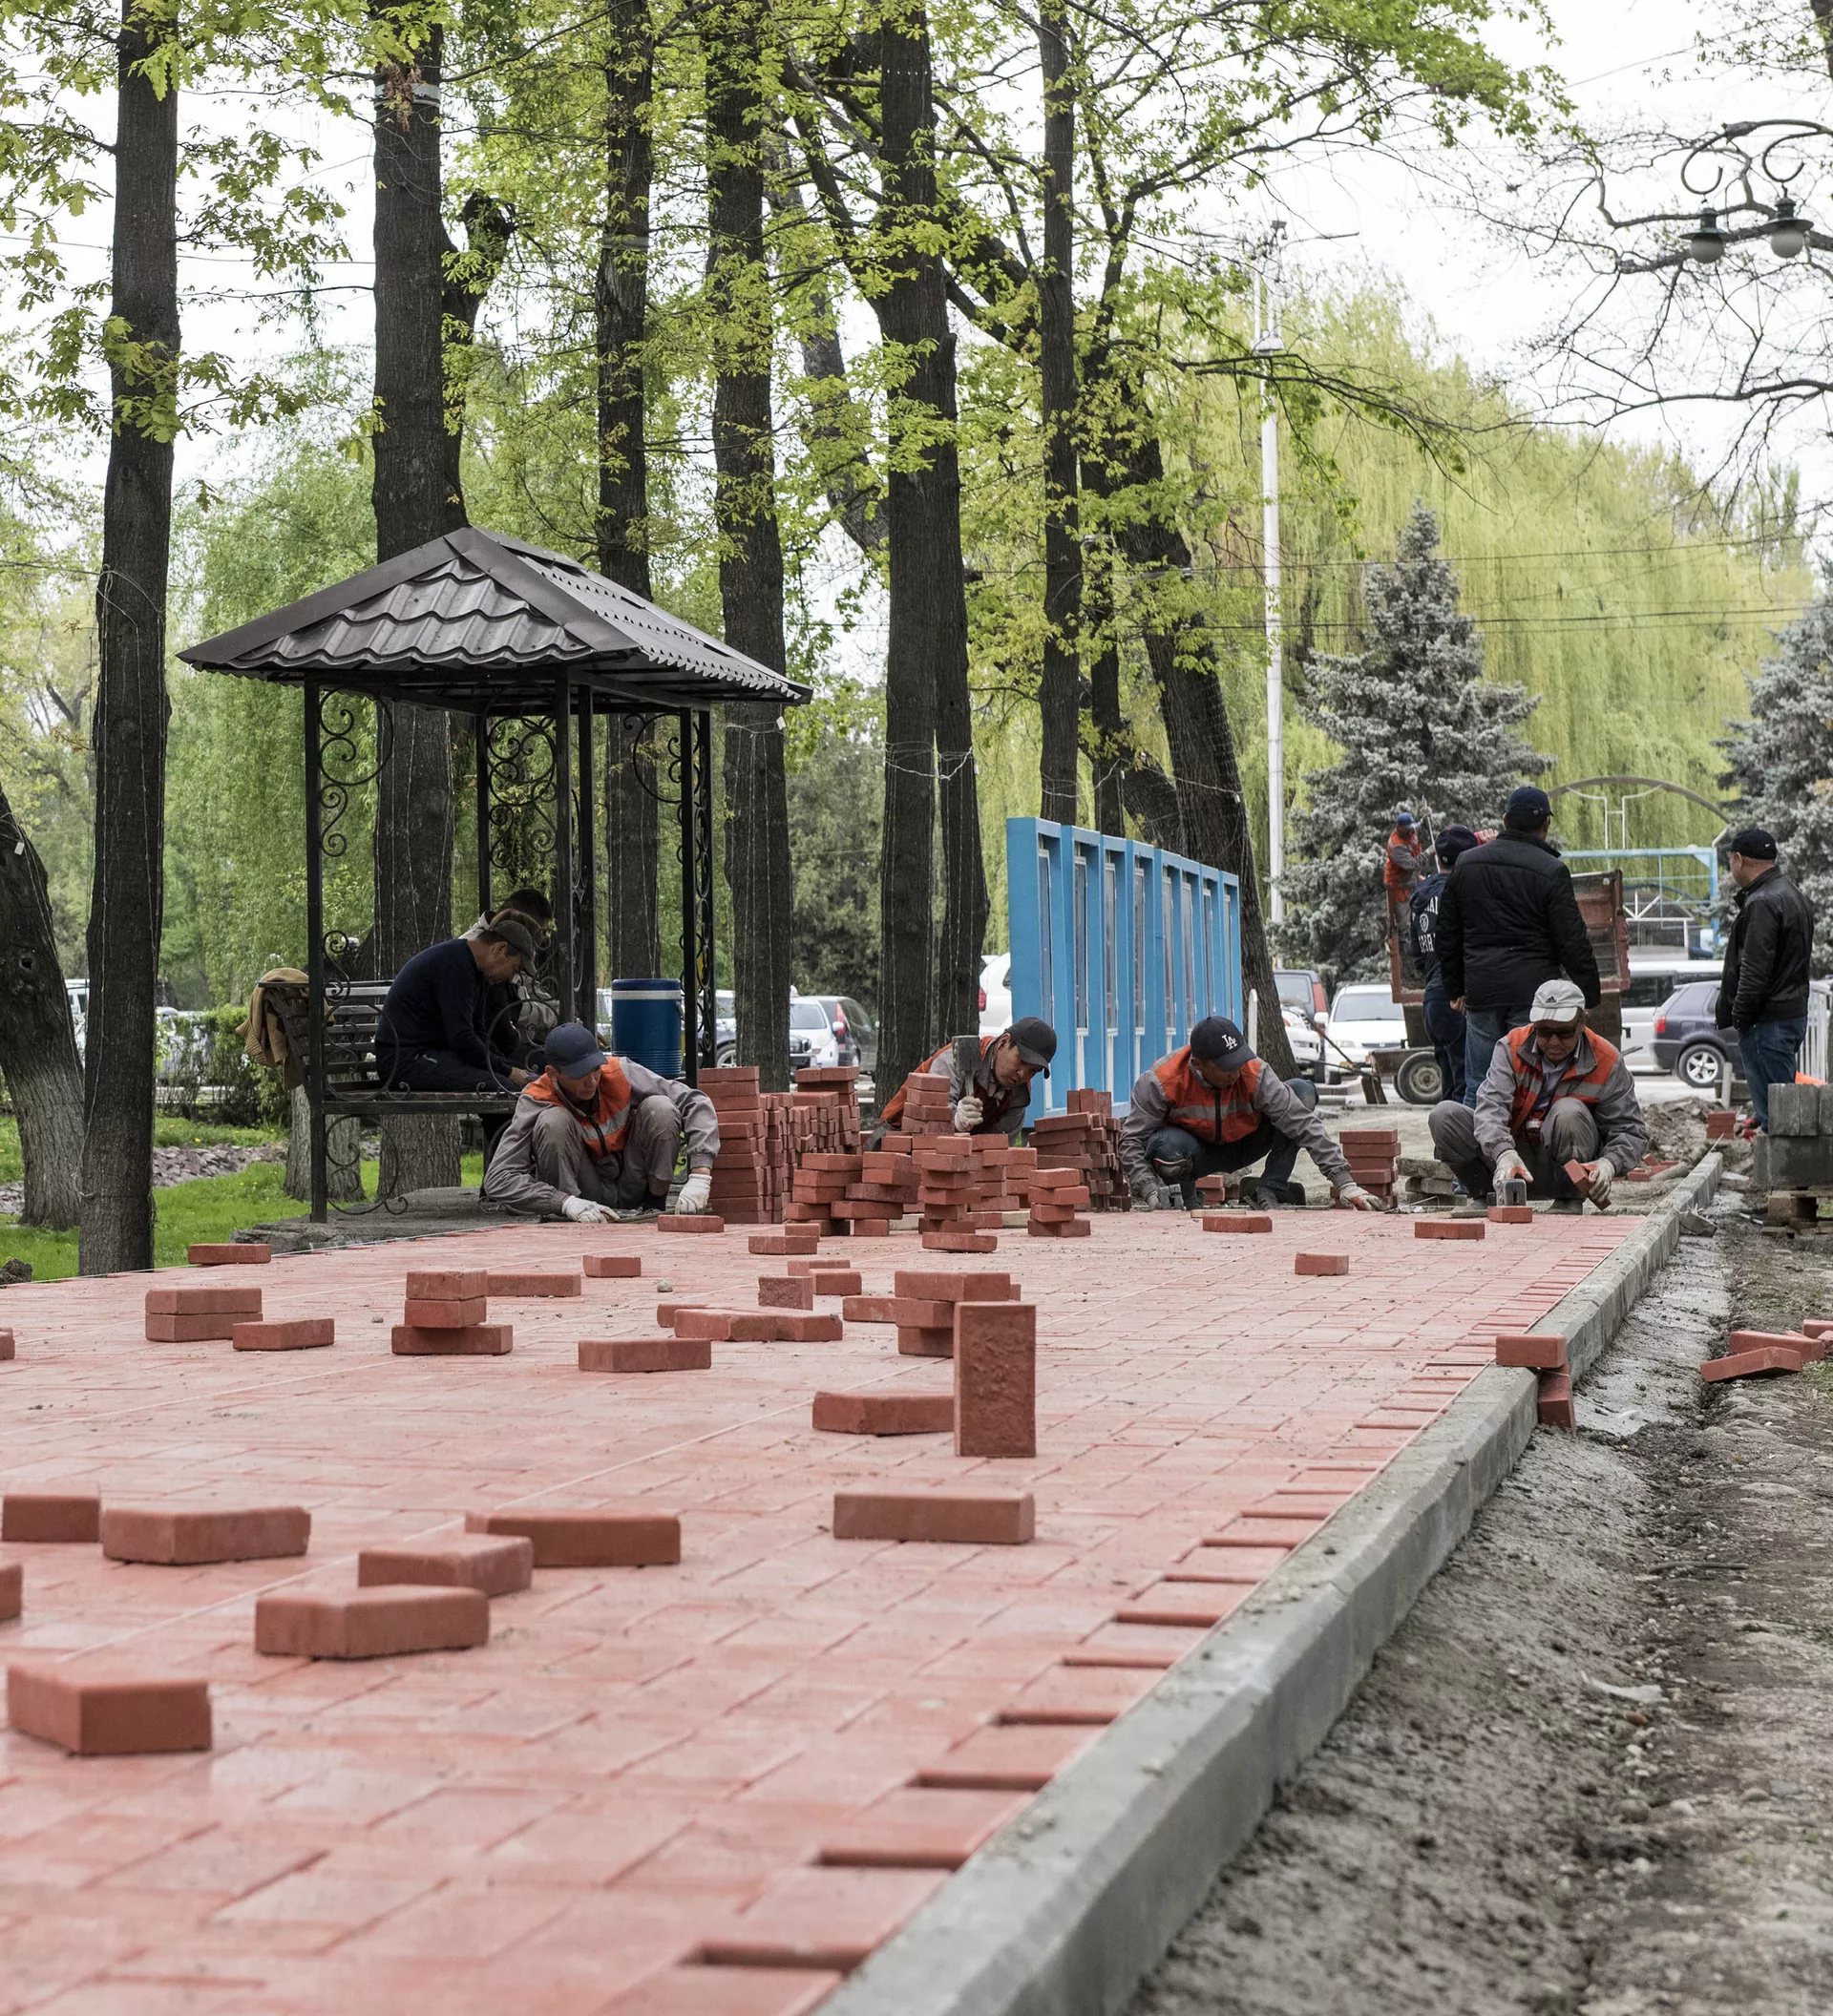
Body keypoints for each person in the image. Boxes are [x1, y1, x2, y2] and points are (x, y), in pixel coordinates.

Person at [1436, 784, 1600, 1107]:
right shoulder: (1551, 870)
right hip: (1533, 994)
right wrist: (1589, 994)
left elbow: (1448, 933)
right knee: (1528, 1083)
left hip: (1481, 991)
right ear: (1546, 824)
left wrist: (1454, 988)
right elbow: (1572, 940)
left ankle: (1475, 1140)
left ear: (1505, 819)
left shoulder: (1466, 864)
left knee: (1479, 1083)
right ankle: (1523, 1140)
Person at [1427, 978, 1648, 1213]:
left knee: (1569, 1112)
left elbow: (1630, 1130)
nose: (1553, 1042)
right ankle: (1486, 1194)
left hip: (1561, 1167)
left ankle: (1568, 1199)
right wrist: (1503, 1153)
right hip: (1511, 1162)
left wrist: (1609, 1163)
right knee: (1444, 1116)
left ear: (1582, 1022)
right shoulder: (1510, 1047)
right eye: (1543, 1031)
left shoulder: (1607, 1061)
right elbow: (1490, 1108)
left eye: (1564, 1032)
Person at [1121, 1014, 1377, 1212]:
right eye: (1226, 1067)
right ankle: (1185, 1199)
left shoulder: (1253, 1072)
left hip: (1248, 1144)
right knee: (1164, 1146)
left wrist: (1344, 1182)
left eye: (1238, 1061)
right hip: (1197, 1154)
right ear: (1198, 1064)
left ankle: (1271, 1189)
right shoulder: (1161, 1081)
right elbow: (1131, 1141)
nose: (1235, 1072)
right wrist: (1149, 1189)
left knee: (1301, 1093)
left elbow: (1304, 1124)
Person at [483, 1020, 720, 1223]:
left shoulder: (620, 1072)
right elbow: (498, 1179)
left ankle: (654, 1205)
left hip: (632, 1181)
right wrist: (562, 1202)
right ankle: (570, 1215)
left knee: (661, 1108)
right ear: (553, 1073)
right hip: (580, 1197)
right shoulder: (537, 1098)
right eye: (579, 1074)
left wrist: (700, 1173)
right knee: (552, 1121)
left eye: (595, 1069)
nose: (591, 1081)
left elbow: (695, 1101)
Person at [1716, 827, 1815, 1130]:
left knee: (1781, 1119)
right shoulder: (1792, 895)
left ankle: (1784, 1163)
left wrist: (1741, 1017)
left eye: (1731, 860)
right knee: (1780, 1108)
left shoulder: (1762, 902)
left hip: (1766, 1021)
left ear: (1739, 858)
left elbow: (1754, 971)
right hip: (1789, 1013)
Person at [374, 918, 539, 1093]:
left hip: (432, 1054)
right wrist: (509, 1072)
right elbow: (461, 1037)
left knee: (509, 1081)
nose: (511, 978)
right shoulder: (455, 965)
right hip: (405, 1061)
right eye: (515, 969)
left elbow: (478, 1033)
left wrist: (510, 1067)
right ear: (500, 949)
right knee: (504, 1087)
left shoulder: (477, 971)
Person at [879, 1018, 1058, 1137]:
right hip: (895, 1137)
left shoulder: (1018, 1094)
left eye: (1033, 1071)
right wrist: (955, 1120)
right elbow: (928, 1121)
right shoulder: (955, 1059)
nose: (1022, 1074)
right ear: (1003, 1042)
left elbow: (1000, 1150)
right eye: (1021, 1061)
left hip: (956, 1160)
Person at [1407, 823, 1480, 1104]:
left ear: (1438, 858)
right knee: (1467, 1085)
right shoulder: (1461, 892)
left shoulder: (1421, 897)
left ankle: (1445, 1132)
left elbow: (1417, 955)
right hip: (1457, 999)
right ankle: (1457, 1132)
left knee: (1450, 1085)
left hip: (1433, 1001)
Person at [464, 886, 560, 1064]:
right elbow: (512, 1010)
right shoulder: (479, 959)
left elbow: (531, 991)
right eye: (541, 931)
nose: (543, 938)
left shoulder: (505, 953)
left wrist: (565, 1017)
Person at [1383, 809, 1425, 924]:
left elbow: (1421, 826)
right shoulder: (1396, 845)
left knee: (1417, 915)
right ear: (1399, 827)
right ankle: (1400, 933)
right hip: (1399, 885)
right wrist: (1429, 853)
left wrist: (1426, 818)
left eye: (1411, 827)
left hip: (1411, 880)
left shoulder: (1410, 830)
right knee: (1405, 923)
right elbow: (1412, 864)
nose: (1411, 829)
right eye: (1407, 828)